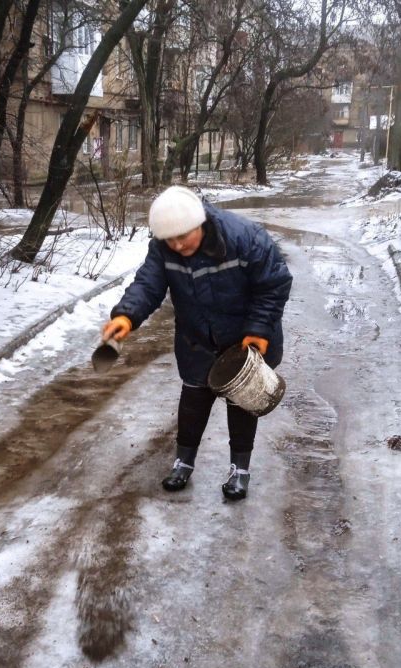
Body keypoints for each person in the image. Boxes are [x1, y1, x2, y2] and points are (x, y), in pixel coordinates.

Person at [101, 185, 292, 501]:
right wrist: (126, 316)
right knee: (193, 401)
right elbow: (147, 285)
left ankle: (239, 469)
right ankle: (183, 462)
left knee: (242, 403)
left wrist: (258, 330)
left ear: (200, 223)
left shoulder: (244, 238)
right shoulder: (164, 248)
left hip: (245, 337)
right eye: (170, 240)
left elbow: (274, 284)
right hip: (197, 337)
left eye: (183, 237)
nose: (177, 245)